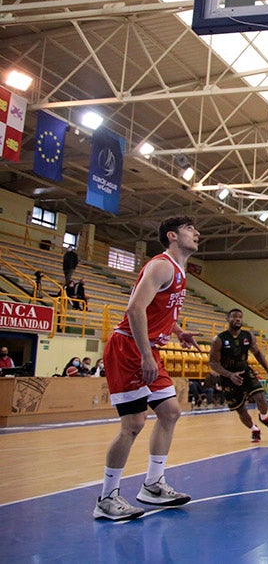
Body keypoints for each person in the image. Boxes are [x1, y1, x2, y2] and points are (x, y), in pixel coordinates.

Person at [93, 216, 200, 521]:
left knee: (169, 411)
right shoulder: (162, 265)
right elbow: (134, 308)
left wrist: (178, 332)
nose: (197, 233)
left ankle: (153, 484)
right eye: (189, 229)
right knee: (133, 424)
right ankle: (106, 497)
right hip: (129, 347)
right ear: (172, 236)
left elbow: (157, 307)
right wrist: (145, 355)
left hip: (149, 347)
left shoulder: (178, 271)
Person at [209, 308, 268, 442]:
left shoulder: (248, 336)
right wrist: (229, 375)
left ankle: (264, 417)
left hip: (244, 371)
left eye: (240, 317)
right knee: (241, 410)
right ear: (228, 319)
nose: (237, 319)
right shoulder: (219, 339)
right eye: (234, 317)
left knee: (261, 397)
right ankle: (254, 429)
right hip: (228, 377)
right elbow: (213, 363)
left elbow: (258, 354)